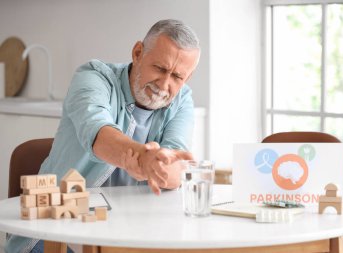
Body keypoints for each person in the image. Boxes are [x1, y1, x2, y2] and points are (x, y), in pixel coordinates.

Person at [5, 19, 201, 253]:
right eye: (160, 68)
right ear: (138, 53)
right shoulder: (94, 76)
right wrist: (142, 158)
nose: (165, 84)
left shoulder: (182, 100)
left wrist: (165, 169)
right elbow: (98, 131)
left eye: (177, 76)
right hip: (56, 228)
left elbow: (176, 160)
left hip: (131, 233)